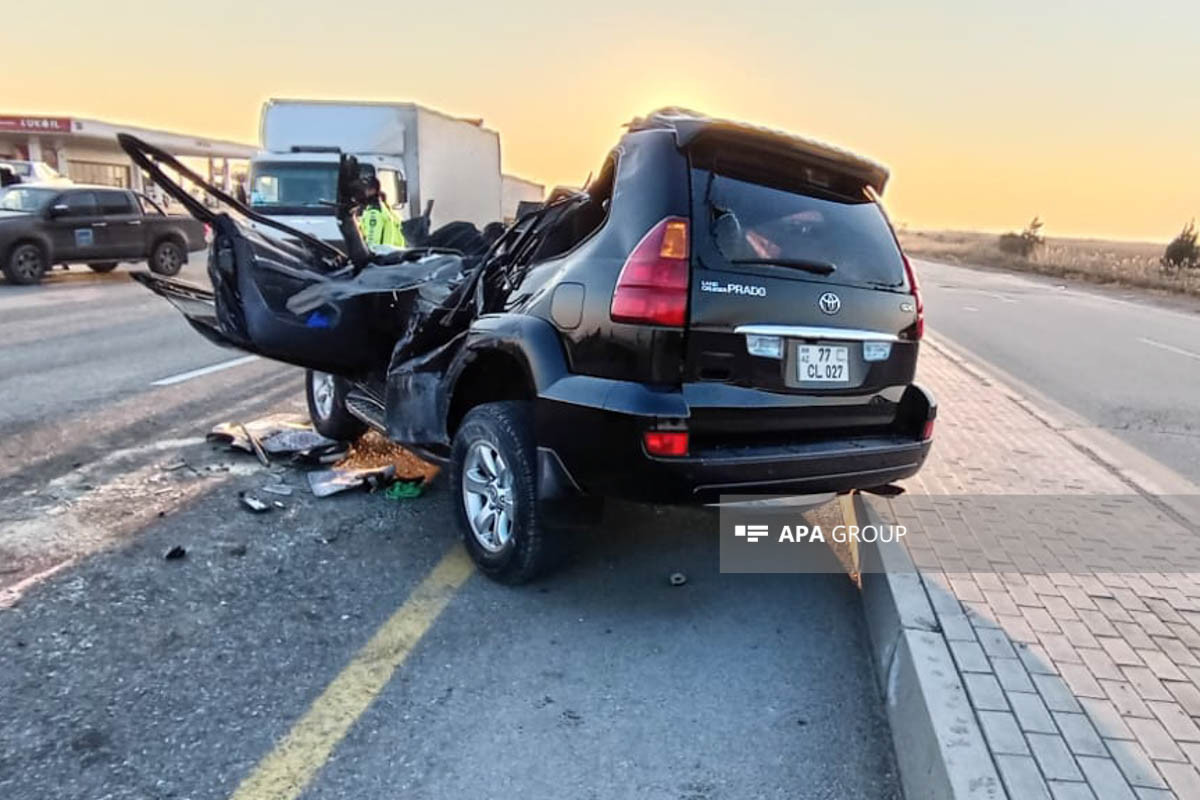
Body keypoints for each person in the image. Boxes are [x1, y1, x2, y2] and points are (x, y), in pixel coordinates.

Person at [358, 176, 406, 248]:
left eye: (364, 190)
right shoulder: (384, 208)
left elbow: (373, 242)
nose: (361, 193)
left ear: (372, 190)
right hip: (390, 253)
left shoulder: (374, 212)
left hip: (380, 254)